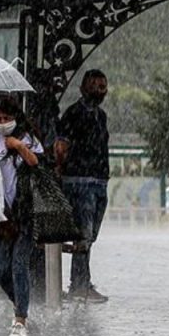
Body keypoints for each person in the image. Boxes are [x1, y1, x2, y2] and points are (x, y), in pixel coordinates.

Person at [0, 95, 42, 336]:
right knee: (1, 268)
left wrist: (18, 145)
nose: (2, 122)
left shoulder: (28, 137)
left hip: (25, 212)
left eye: (6, 118)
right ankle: (20, 303)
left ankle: (20, 319)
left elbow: (37, 163)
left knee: (19, 264)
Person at [54, 69, 110, 303]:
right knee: (83, 234)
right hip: (79, 181)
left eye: (103, 85)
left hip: (98, 181)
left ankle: (81, 281)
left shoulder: (101, 116)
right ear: (83, 88)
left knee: (90, 234)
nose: (100, 90)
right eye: (95, 85)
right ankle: (79, 284)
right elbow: (61, 147)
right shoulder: (73, 114)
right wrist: (61, 171)